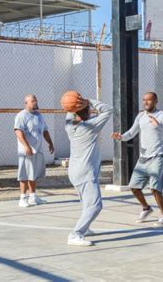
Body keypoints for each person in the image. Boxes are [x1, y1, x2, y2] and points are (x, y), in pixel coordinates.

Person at [112, 92, 163, 227]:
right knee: (134, 187)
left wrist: (159, 125)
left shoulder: (161, 115)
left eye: (149, 100)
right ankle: (146, 208)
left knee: (155, 189)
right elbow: (131, 133)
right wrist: (121, 137)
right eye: (144, 100)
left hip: (157, 156)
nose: (145, 102)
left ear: (155, 101)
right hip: (143, 158)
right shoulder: (140, 116)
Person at [65, 95, 113, 246]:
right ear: (85, 112)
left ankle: (85, 229)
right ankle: (76, 234)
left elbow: (69, 112)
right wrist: (89, 100)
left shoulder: (69, 126)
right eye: (90, 111)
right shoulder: (90, 127)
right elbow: (108, 110)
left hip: (75, 171)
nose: (92, 113)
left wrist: (76, 104)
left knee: (87, 203)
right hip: (85, 173)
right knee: (95, 205)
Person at [14, 94, 54, 208]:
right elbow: (18, 132)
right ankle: (22, 198)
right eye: (32, 101)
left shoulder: (38, 115)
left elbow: (45, 131)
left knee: (33, 174)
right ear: (26, 103)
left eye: (35, 100)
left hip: (37, 151)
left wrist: (50, 142)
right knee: (24, 175)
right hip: (26, 152)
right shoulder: (21, 116)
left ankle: (33, 197)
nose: (35, 102)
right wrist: (27, 146)